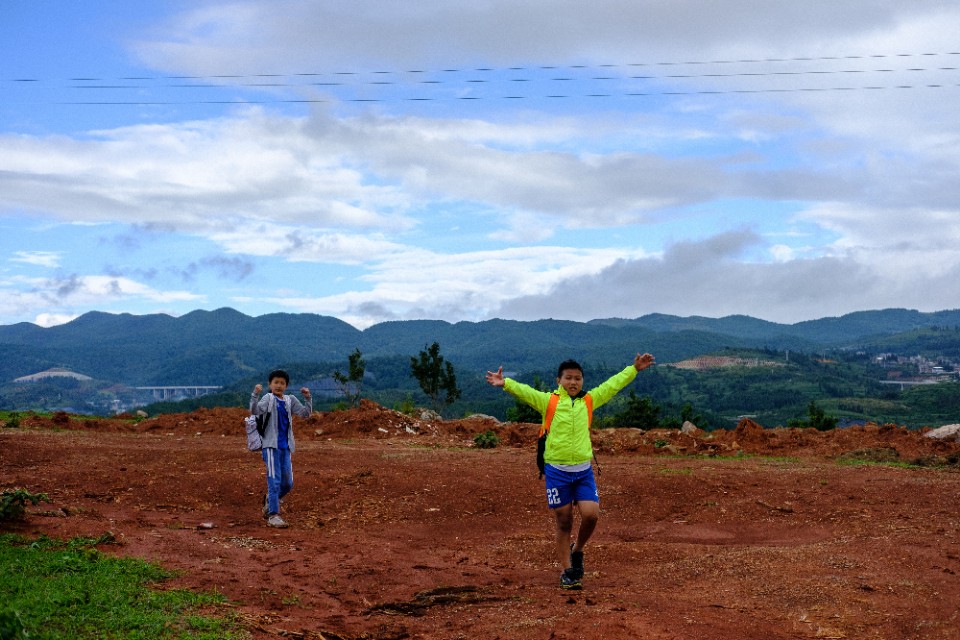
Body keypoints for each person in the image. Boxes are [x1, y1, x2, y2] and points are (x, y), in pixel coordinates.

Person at [486, 352, 655, 589]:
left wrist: (634, 369)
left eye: (577, 378)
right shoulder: (549, 401)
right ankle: (568, 571)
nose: (573, 382)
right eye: (568, 378)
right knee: (564, 521)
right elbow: (526, 392)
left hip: (583, 470)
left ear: (582, 381)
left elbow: (612, 385)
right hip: (557, 470)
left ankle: (578, 549)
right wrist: (505, 383)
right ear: (559, 381)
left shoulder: (589, 401)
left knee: (591, 514)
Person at [250, 369, 312, 528]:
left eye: (282, 383)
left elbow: (305, 414)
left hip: (286, 446)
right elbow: (255, 411)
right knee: (274, 480)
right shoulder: (268, 398)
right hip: (271, 446)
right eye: (276, 382)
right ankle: (273, 515)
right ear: (270, 385)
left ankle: (270, 502)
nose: (279, 385)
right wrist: (255, 395)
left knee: (288, 483)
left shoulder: (290, 400)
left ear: (286, 386)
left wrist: (307, 398)